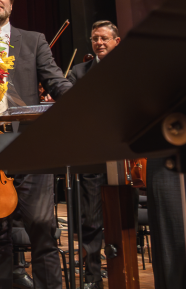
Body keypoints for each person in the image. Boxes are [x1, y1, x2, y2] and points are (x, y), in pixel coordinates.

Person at [0, 0, 72, 289]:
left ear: (11, 4)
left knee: (42, 227)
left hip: (30, 146)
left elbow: (56, 82)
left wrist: (83, 102)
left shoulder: (33, 40)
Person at [66, 20, 120, 289]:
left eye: (104, 38)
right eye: (95, 38)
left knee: (123, 217)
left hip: (123, 156)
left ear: (116, 42)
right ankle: (92, 277)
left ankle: (123, 272)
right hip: (92, 153)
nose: (98, 43)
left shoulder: (129, 70)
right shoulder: (78, 72)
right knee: (91, 219)